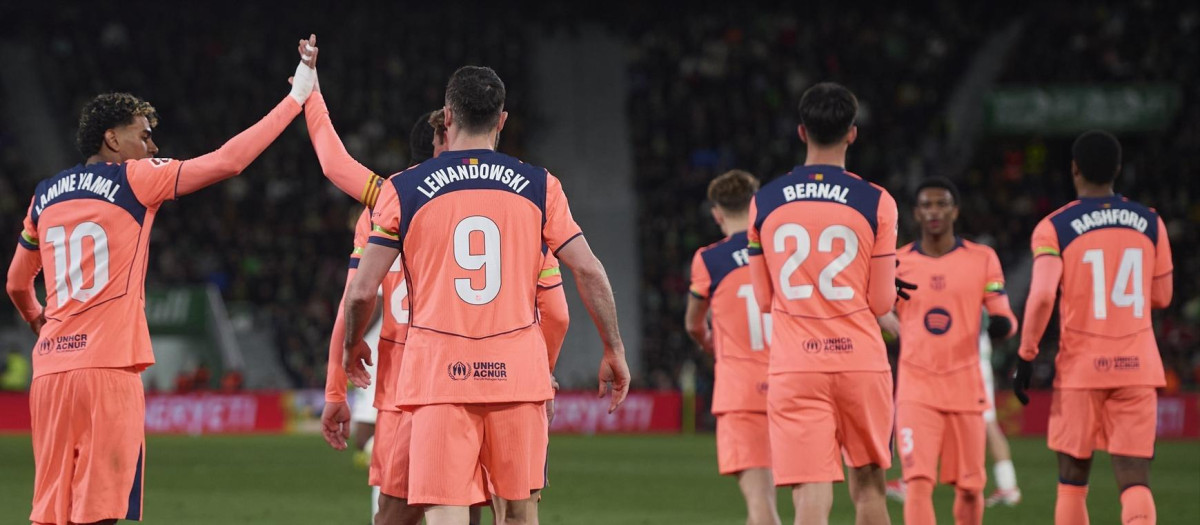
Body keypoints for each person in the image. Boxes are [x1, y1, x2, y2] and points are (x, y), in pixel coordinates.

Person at [4, 36, 317, 525]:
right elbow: (228, 161)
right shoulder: (134, 178)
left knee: (52, 512)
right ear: (112, 139)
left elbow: (17, 284)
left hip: (49, 375)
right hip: (107, 370)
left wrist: (39, 322)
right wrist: (296, 97)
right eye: (143, 134)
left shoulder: (44, 196)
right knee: (106, 512)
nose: (152, 146)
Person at [342, 66, 597, 525]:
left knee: (445, 513)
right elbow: (586, 277)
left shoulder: (403, 189)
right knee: (518, 514)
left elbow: (361, 292)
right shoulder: (542, 187)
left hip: (438, 375)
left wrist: (351, 345)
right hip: (517, 377)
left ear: (447, 114)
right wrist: (613, 350)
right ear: (501, 120)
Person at [747, 82, 900, 525]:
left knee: (810, 494)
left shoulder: (765, 202)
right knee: (870, 487)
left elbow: (763, 298)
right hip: (861, 363)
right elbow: (881, 300)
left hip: (796, 366)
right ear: (852, 133)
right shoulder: (878, 202)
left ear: (801, 132)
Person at [1015, 130, 1173, 525]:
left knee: (1072, 480)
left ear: (1074, 169)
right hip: (1137, 365)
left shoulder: (1055, 226)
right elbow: (1163, 297)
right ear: (1118, 169)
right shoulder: (1150, 222)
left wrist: (1027, 354)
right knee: (1135, 479)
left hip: (1081, 368)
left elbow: (1042, 297)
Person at [891, 177, 1017, 524]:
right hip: (916, 389)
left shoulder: (981, 258)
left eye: (941, 204)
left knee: (971, 488)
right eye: (927, 205)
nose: (934, 211)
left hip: (965, 386)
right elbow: (877, 310)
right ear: (916, 213)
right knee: (917, 482)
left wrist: (1003, 324)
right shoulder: (896, 264)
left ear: (955, 211)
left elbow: (1001, 308)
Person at [685, 169, 780, 525]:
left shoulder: (710, 260)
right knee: (809, 498)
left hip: (742, 392)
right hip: (794, 385)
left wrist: (710, 343)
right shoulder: (779, 252)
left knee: (760, 503)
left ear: (717, 213)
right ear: (756, 205)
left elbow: (694, 323)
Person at [978, 317, 1022, 508]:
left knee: (987, 422)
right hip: (969, 351)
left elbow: (1004, 323)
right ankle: (1007, 485)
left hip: (969, 354)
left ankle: (1008, 486)